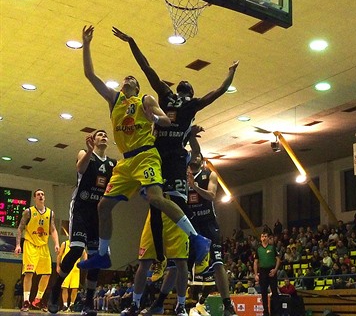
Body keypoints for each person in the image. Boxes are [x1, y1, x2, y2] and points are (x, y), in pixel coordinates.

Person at [77, 25, 210, 271]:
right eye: (126, 78)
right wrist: (86, 45)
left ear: (137, 88)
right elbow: (90, 75)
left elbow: (166, 119)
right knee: (103, 206)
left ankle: (197, 238)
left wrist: (154, 118)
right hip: (126, 162)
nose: (128, 79)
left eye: (133, 79)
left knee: (156, 199)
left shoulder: (144, 100)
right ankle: (104, 254)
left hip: (146, 155)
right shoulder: (114, 99)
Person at [112, 27, 238, 280]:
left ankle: (179, 254)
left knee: (165, 205)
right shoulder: (184, 101)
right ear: (189, 92)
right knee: (160, 205)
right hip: (163, 156)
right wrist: (230, 74)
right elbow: (219, 90)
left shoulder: (172, 96)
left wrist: (132, 42)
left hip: (165, 156)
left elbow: (147, 68)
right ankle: (168, 257)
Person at [48, 130, 116, 316]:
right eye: (99, 135)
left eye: (105, 135)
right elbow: (80, 169)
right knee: (77, 249)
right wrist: (88, 150)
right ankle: (55, 289)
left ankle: (88, 303)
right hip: (81, 209)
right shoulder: (84, 153)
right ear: (93, 140)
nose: (103, 137)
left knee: (97, 257)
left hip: (98, 214)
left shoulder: (112, 164)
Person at [184, 148, 237, 316]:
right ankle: (184, 304)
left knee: (218, 263)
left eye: (197, 155)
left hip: (208, 223)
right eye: (192, 155)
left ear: (202, 159)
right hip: (190, 224)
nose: (195, 158)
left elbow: (212, 195)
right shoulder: (182, 175)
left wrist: (195, 187)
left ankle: (227, 304)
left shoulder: (210, 174)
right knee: (184, 265)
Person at [15, 189, 60, 312]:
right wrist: (18, 245)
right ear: (34, 198)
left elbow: (53, 230)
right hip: (30, 245)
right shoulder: (28, 212)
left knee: (47, 274)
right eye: (38, 194)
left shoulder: (50, 213)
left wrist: (56, 243)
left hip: (43, 246)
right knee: (29, 273)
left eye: (42, 194)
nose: (41, 196)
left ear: (44, 197)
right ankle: (26, 301)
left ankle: (38, 300)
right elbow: (20, 228)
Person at [254, 230, 281, 316]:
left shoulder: (272, 247)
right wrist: (255, 274)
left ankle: (276, 312)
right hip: (262, 271)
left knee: (274, 291)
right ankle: (266, 312)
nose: (264, 238)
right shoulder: (258, 249)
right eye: (262, 236)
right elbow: (255, 262)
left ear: (268, 237)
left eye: (265, 236)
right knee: (263, 292)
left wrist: (275, 270)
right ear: (260, 238)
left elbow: (278, 259)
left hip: (271, 270)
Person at [58, 240, 86, 312]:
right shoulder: (64, 243)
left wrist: (85, 262)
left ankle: (72, 304)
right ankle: (65, 305)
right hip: (66, 268)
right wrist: (58, 266)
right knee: (65, 287)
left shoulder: (79, 244)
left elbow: (84, 253)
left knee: (75, 288)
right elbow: (60, 255)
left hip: (76, 269)